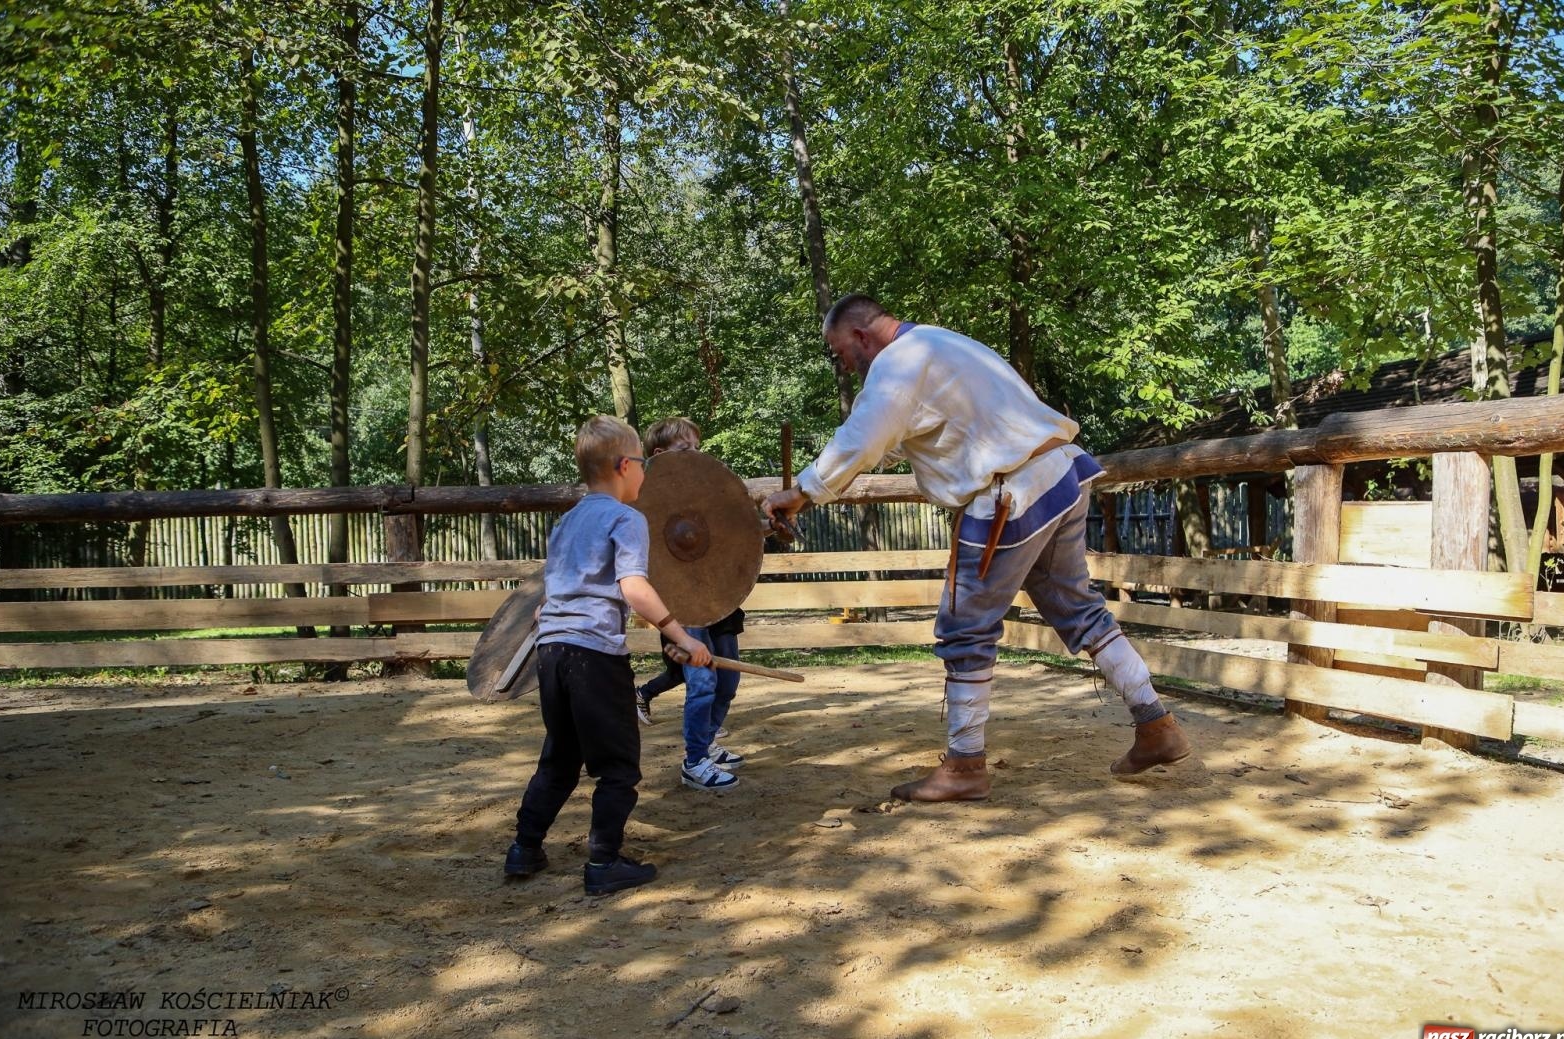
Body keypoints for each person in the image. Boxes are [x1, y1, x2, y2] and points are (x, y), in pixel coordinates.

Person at [763, 294, 1192, 802]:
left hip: (1010, 495)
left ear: (860, 335)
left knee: (965, 625)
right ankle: (1156, 725)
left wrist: (803, 491)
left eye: (839, 352)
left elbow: (863, 437)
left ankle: (965, 765)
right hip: (1062, 474)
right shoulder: (942, 344)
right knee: (1079, 609)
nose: (842, 363)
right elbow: (903, 435)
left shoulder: (898, 364)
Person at [504, 415, 713, 896]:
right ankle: (603, 863)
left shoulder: (568, 520)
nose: (645, 473)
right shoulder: (626, 518)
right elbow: (634, 589)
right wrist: (682, 636)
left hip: (552, 652)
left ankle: (524, 847)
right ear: (624, 465)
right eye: (642, 463)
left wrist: (668, 642)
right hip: (594, 657)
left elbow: (555, 597)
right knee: (619, 765)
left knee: (560, 756)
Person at [632, 417, 748, 794]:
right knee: (702, 683)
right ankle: (695, 760)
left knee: (728, 681)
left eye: (698, 448)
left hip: (719, 597)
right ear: (660, 456)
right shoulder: (644, 502)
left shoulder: (705, 495)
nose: (696, 456)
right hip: (683, 604)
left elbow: (732, 533)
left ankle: (707, 741)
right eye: (686, 450)